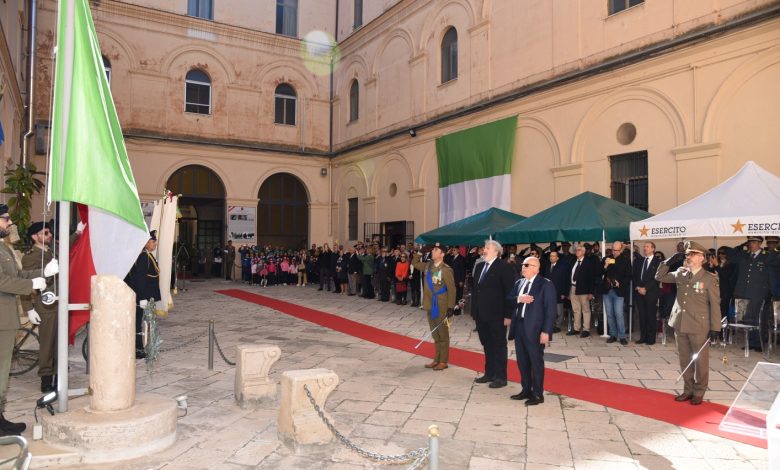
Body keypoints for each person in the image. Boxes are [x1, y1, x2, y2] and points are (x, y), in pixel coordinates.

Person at [0, 206, 57, 435]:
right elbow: (2, 281)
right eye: (5, 219)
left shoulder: (3, 249)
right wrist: (31, 286)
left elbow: (17, 275)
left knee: (3, 372)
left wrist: (42, 273)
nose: (10, 222)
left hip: (5, 319)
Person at [655, 241, 721, 405]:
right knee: (685, 359)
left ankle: (699, 391)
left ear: (701, 258)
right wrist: (668, 262)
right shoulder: (680, 273)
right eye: (688, 254)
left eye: (692, 254)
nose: (688, 257)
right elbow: (659, 276)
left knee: (700, 361)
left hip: (699, 325)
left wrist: (715, 328)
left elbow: (715, 305)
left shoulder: (709, 279)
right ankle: (688, 389)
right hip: (680, 323)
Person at [506, 256, 556, 406]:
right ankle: (526, 389)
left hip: (535, 329)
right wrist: (518, 298)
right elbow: (508, 299)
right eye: (522, 265)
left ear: (536, 267)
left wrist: (546, 331)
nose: (523, 267)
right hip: (519, 327)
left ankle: (538, 394)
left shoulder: (545, 284)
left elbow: (550, 310)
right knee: (522, 361)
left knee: (536, 362)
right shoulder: (519, 283)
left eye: (526, 265)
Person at [20, 222, 59, 393]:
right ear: (35, 236)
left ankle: (58, 374)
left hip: (58, 302)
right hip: (44, 305)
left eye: (49, 232)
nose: (49, 235)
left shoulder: (51, 252)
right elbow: (26, 284)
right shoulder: (30, 257)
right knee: (47, 344)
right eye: (45, 233)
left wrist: (78, 233)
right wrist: (29, 308)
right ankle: (46, 378)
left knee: (58, 342)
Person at [471, 240, 515, 388]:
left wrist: (508, 315)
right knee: (487, 344)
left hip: (497, 314)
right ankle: (489, 373)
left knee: (499, 345)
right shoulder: (479, 267)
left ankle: (501, 377)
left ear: (496, 252)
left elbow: (510, 292)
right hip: (481, 314)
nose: (484, 250)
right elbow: (476, 290)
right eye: (484, 248)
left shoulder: (504, 267)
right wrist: (474, 312)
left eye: (487, 248)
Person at [411, 242, 456, 371]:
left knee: (443, 335)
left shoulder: (446, 270)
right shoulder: (428, 266)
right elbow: (414, 263)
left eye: (436, 250)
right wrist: (419, 253)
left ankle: (443, 361)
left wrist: (450, 307)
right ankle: (436, 359)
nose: (432, 251)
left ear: (442, 254)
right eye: (433, 249)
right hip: (430, 304)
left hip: (441, 306)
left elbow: (452, 290)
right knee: (435, 334)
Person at [728, 236, 777, 351]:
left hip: (758, 293)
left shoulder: (766, 256)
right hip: (743, 292)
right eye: (750, 242)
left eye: (754, 242)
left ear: (760, 244)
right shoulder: (744, 255)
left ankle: (759, 343)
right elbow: (731, 256)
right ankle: (750, 342)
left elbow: (775, 263)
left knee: (759, 318)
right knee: (747, 318)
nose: (751, 244)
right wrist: (741, 246)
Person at [124, 231, 162, 359]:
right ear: (146, 243)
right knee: (139, 323)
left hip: (146, 296)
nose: (155, 244)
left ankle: (141, 346)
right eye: (153, 241)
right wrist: (141, 298)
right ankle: (138, 348)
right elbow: (139, 279)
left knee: (143, 322)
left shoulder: (147, 255)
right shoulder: (143, 257)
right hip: (142, 297)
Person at [602, 241, 631, 345]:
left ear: (621, 249)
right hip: (607, 290)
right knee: (610, 314)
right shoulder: (607, 259)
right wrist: (605, 265)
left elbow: (629, 276)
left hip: (619, 291)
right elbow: (599, 273)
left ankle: (622, 336)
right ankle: (613, 335)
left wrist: (620, 283)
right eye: (613, 250)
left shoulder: (626, 260)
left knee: (619, 313)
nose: (614, 252)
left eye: (617, 250)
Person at [633, 241, 661, 345]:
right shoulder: (639, 261)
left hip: (651, 292)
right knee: (642, 315)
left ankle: (651, 339)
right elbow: (634, 275)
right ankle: (643, 337)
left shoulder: (658, 262)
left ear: (653, 249)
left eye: (647, 246)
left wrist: (646, 288)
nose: (645, 248)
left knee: (650, 315)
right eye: (644, 247)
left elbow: (657, 278)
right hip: (639, 292)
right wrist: (638, 287)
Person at [568, 245, 598, 337]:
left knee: (585, 310)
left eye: (579, 250)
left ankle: (586, 329)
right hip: (573, 288)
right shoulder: (573, 261)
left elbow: (592, 278)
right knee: (576, 309)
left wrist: (591, 292)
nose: (577, 251)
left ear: (583, 252)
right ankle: (576, 328)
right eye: (576, 250)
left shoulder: (588, 263)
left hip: (584, 289)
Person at [543, 250, 571, 333]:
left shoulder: (562, 267)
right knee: (550, 310)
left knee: (559, 311)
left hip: (559, 292)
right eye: (551, 256)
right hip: (549, 292)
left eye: (554, 256)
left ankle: (558, 325)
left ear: (557, 258)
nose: (551, 257)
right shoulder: (547, 266)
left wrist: (564, 292)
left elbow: (565, 280)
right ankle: (551, 325)